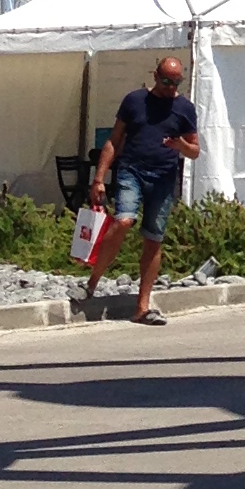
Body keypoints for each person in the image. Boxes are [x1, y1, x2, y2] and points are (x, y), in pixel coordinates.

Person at [83, 53, 202, 323]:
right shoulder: (135, 101)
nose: (171, 87)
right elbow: (114, 141)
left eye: (176, 82)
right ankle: (91, 282)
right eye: (165, 81)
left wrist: (181, 146)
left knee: (153, 238)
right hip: (131, 170)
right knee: (124, 220)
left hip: (163, 178)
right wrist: (99, 177)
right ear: (154, 75)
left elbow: (195, 150)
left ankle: (142, 307)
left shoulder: (184, 108)